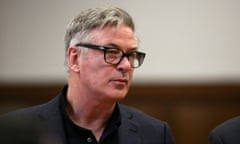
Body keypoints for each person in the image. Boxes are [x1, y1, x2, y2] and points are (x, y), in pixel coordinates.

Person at [0, 7, 175, 144]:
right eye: (112, 52)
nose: (126, 65)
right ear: (75, 59)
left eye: (131, 54)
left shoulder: (156, 133)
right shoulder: (13, 132)